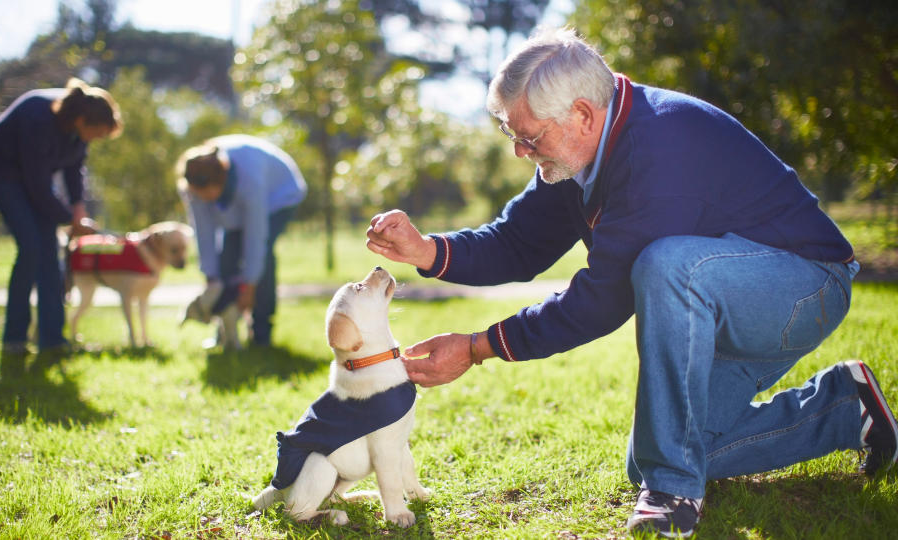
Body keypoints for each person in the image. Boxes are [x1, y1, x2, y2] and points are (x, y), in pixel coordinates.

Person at [366, 27, 897, 537]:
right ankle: (846, 408)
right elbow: (517, 243)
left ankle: (673, 496)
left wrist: (478, 347)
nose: (519, 152)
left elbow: (603, 300)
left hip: (803, 286)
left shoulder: (659, 149)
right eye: (512, 134)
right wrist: (427, 250)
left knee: (665, 266)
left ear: (580, 114)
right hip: (728, 301)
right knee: (656, 452)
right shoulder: (579, 152)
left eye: (527, 137)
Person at [0, 77, 122, 364]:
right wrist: (69, 219)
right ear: (83, 120)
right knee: (31, 248)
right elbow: (36, 185)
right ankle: (15, 339)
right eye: (96, 133)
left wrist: (78, 208)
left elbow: (74, 170)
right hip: (4, 174)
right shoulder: (39, 117)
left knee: (50, 254)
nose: (95, 140)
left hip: (36, 181)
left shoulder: (77, 132)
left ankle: (52, 339)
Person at [177, 135, 307, 347]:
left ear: (222, 181)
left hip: (279, 195)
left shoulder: (250, 180)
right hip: (241, 203)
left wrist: (249, 284)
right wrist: (211, 277)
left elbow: (256, 238)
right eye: (200, 195)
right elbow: (204, 234)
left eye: (209, 194)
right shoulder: (193, 189)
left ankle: (261, 332)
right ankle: (224, 332)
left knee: (262, 259)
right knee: (226, 259)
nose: (205, 200)